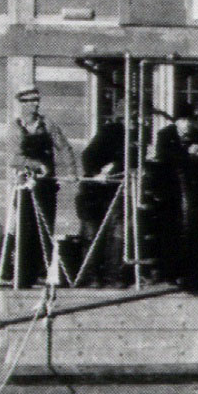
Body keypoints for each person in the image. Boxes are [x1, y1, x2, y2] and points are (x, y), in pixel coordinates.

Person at [3, 88, 77, 286]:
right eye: (30, 101)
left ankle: (43, 271)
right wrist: (37, 165)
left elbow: (64, 147)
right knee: (25, 229)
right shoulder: (15, 128)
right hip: (26, 186)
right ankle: (23, 275)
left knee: (45, 228)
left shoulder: (47, 125)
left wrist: (71, 171)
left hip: (46, 186)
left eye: (36, 100)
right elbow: (14, 158)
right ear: (22, 104)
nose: (35, 105)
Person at [151, 100, 198, 283]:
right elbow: (164, 156)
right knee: (171, 231)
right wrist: (188, 154)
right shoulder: (165, 135)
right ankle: (170, 272)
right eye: (184, 120)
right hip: (169, 190)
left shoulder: (196, 135)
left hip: (192, 190)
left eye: (191, 120)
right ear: (177, 122)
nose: (188, 124)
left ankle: (190, 270)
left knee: (193, 228)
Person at [75, 119, 125, 285]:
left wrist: (116, 167)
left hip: (114, 191)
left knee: (118, 231)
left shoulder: (136, 138)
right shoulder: (112, 131)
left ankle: (113, 274)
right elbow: (87, 156)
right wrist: (97, 173)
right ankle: (92, 275)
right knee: (93, 233)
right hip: (94, 193)